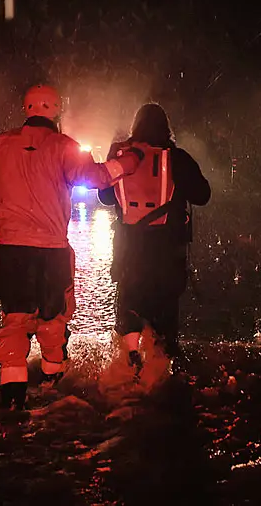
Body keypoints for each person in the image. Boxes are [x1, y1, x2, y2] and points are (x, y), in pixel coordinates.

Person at [0, 84, 145, 410]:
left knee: (14, 322)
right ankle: (52, 391)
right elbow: (97, 177)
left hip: (11, 250)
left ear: (26, 109)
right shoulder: (64, 146)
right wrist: (127, 164)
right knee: (53, 321)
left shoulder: (0, 144)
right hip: (53, 250)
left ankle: (12, 403)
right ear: (56, 111)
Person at [98, 103, 211, 374]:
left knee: (129, 307)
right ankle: (162, 374)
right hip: (166, 253)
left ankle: (129, 364)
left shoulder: (124, 159)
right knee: (165, 317)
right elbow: (203, 195)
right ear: (166, 128)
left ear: (136, 127)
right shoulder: (177, 158)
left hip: (130, 252)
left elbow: (104, 197)